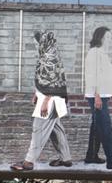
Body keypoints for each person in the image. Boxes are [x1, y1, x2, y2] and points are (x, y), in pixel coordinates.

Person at [12, 31, 72, 171]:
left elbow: (54, 83)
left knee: (38, 129)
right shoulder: (50, 54)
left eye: (37, 42)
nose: (36, 44)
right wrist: (37, 93)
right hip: (55, 99)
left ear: (43, 42)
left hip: (51, 100)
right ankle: (66, 158)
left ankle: (28, 162)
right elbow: (46, 79)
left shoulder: (49, 58)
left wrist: (45, 100)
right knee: (56, 129)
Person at [83, 26, 112, 170]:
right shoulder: (95, 53)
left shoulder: (101, 53)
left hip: (101, 95)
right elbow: (93, 75)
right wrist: (97, 96)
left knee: (97, 127)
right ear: (101, 37)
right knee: (106, 128)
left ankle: (91, 156)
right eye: (107, 38)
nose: (109, 40)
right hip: (98, 96)